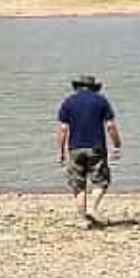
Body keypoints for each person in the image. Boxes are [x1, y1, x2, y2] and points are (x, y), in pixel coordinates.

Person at [55, 75, 123, 227]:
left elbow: (63, 129)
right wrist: (117, 144)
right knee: (101, 181)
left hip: (75, 148)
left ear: (78, 87)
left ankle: (83, 220)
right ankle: (92, 208)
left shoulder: (68, 102)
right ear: (93, 87)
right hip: (96, 147)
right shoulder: (101, 101)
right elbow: (110, 126)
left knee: (78, 185)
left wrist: (60, 151)